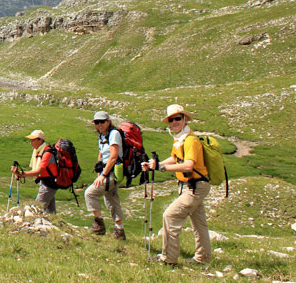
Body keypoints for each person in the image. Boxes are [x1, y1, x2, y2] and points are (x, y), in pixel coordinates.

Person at [142, 104, 211, 266]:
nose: (174, 122)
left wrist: (161, 167)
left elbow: (188, 165)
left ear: (185, 119)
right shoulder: (180, 139)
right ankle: (203, 259)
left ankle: (168, 259)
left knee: (170, 216)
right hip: (193, 185)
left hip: (194, 186)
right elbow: (175, 158)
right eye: (171, 120)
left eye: (178, 118)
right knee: (199, 222)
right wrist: (155, 164)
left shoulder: (190, 140)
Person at [84, 111, 126, 239]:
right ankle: (120, 231)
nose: (99, 124)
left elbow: (113, 156)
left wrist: (103, 175)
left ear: (108, 122)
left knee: (90, 193)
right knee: (112, 200)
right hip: (108, 172)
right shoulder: (102, 135)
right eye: (97, 122)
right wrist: (99, 169)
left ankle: (99, 225)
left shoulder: (113, 134)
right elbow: (102, 153)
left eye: (102, 122)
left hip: (112, 172)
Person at [11, 129, 58, 214]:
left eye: (33, 140)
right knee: (50, 212)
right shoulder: (38, 151)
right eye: (30, 140)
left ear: (40, 140)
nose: (30, 142)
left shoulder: (47, 153)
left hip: (49, 184)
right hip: (47, 183)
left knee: (36, 209)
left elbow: (38, 171)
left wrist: (21, 174)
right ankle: (54, 224)